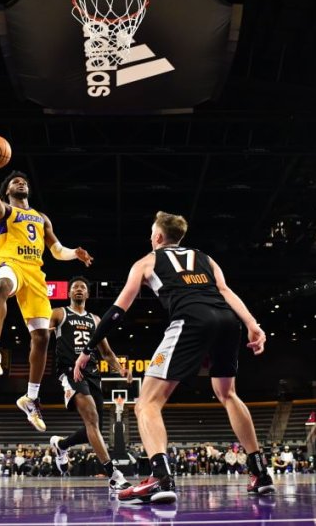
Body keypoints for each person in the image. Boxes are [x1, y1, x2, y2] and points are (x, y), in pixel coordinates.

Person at [73, 211, 275, 503]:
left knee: (146, 403)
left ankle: (160, 477)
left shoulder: (147, 261)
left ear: (157, 237)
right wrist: (253, 325)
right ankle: (260, 472)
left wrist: (88, 348)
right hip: (227, 321)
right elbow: (225, 290)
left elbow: (117, 311)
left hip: (190, 321)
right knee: (228, 393)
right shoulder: (204, 257)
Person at [0, 142, 93, 432]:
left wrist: (73, 253)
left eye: (24, 182)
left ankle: (31, 398)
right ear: (7, 191)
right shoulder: (4, 211)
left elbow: (56, 250)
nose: (21, 184)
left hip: (35, 275)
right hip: (10, 263)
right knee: (1, 287)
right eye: (16, 182)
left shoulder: (42, 218)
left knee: (42, 338)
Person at [47, 276, 133, 491]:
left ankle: (61, 445)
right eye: (74, 287)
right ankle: (113, 474)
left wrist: (120, 368)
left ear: (87, 294)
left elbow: (106, 352)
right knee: (92, 420)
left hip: (93, 374)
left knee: (92, 430)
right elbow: (41, 336)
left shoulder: (95, 319)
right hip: (70, 372)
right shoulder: (59, 313)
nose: (78, 289)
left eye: (82, 288)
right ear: (69, 293)